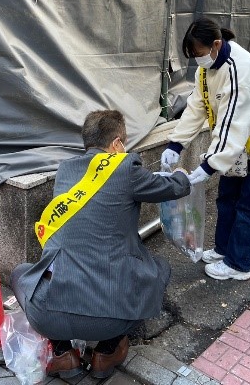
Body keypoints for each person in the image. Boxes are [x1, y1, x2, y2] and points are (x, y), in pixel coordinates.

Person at [11, 110, 191, 379]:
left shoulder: (65, 170)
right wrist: (181, 173)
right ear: (117, 144)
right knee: (160, 269)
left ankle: (63, 353)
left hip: (46, 314)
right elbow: (175, 188)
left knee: (20, 273)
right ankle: (106, 352)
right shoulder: (125, 167)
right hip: (110, 319)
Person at [160, 17, 250, 281]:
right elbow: (197, 105)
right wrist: (176, 143)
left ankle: (239, 264)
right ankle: (223, 250)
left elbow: (234, 125)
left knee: (249, 208)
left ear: (216, 44)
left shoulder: (242, 71)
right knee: (227, 200)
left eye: (199, 54)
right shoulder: (206, 70)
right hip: (236, 150)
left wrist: (210, 164)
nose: (197, 60)